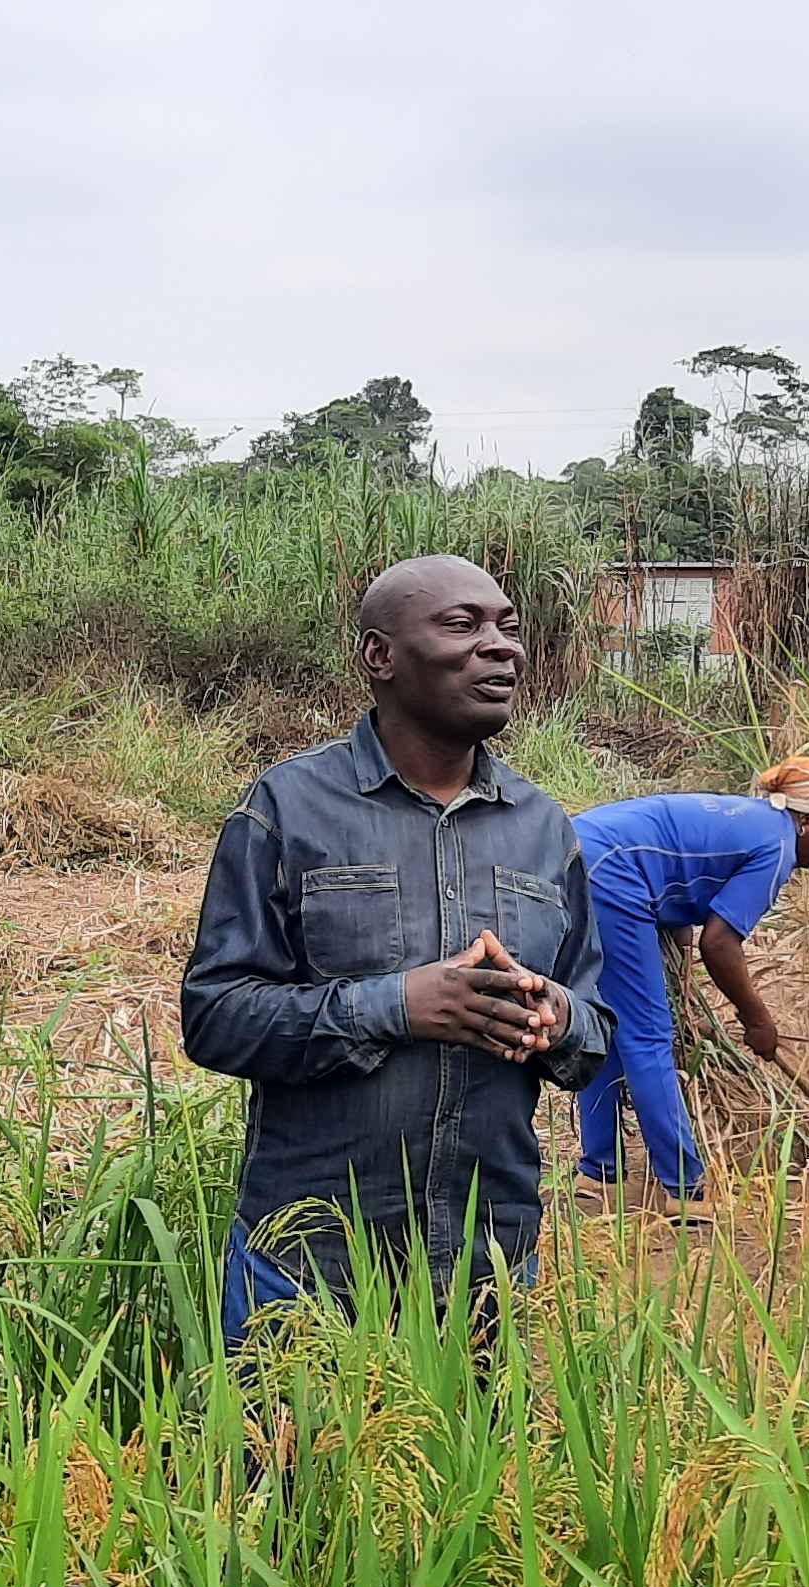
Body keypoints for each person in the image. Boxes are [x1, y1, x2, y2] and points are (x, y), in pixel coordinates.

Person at [180, 554, 613, 1351]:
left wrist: (555, 1015)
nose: (501, 647)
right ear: (380, 656)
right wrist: (396, 1007)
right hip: (311, 1264)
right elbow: (215, 1017)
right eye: (463, 625)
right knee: (279, 1475)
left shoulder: (545, 828)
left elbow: (594, 1031)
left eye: (508, 628)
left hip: (489, 1264)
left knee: (467, 1477)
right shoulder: (287, 807)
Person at [564, 761, 809, 1212]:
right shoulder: (777, 845)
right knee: (648, 1037)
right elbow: (719, 944)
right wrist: (757, 1019)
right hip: (609, 875)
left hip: (576, 855)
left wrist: (677, 949)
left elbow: (680, 875)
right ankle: (685, 1191)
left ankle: (599, 1174)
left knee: (611, 1025)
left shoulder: (754, 821)